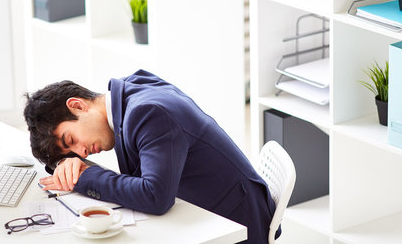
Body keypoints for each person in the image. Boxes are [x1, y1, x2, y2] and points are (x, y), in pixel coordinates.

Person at [24, 69, 280, 243]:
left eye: (71, 140)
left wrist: (85, 178)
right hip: (213, 209)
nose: (81, 151)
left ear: (78, 105)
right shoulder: (131, 91)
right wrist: (71, 166)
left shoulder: (148, 113)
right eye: (72, 152)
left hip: (238, 224)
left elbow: (155, 196)